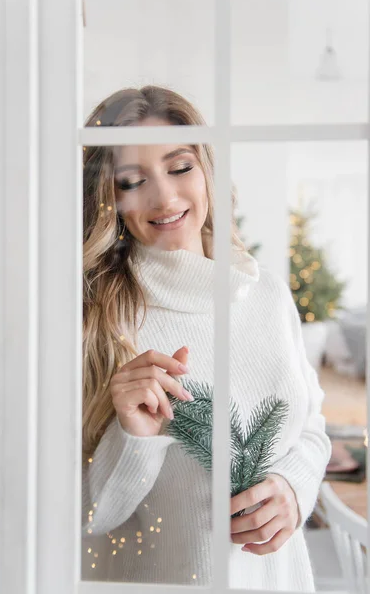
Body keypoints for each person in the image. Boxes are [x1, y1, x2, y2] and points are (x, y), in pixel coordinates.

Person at [81, 85, 332, 590]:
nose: (166, 197)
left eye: (180, 168)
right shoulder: (96, 318)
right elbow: (87, 518)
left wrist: (293, 487)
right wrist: (132, 434)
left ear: (207, 172)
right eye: (133, 180)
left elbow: (312, 427)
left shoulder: (266, 293)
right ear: (110, 200)